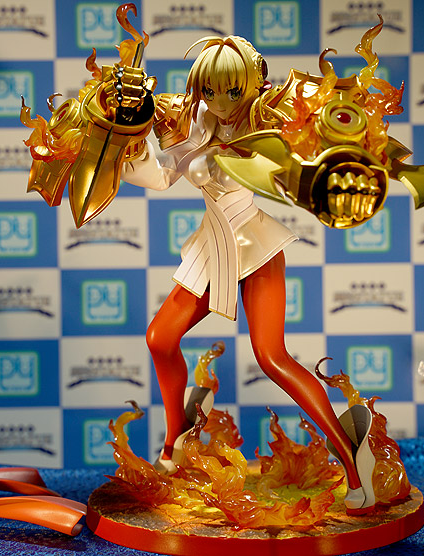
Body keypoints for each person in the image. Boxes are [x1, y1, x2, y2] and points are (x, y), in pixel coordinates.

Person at [114, 35, 376, 513]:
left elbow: (303, 171)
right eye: (210, 90)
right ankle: (175, 441)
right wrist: (124, 141)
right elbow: (162, 174)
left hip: (254, 243)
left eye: (231, 91)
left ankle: (353, 458)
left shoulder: (270, 119)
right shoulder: (196, 118)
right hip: (212, 243)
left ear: (253, 84)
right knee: (159, 338)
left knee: (271, 357)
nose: (220, 102)